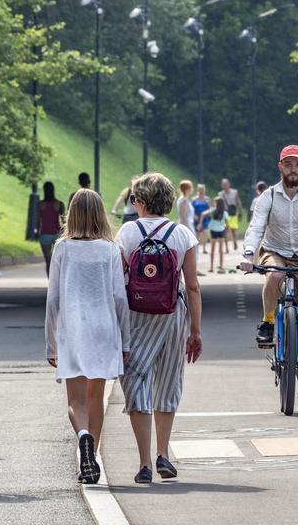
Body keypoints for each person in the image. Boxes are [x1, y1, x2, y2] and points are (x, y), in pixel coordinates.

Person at [116, 173, 202, 484]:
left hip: (136, 317)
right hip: (173, 315)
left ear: (139, 201)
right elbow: (192, 286)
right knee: (168, 382)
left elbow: (117, 282)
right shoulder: (182, 234)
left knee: (136, 381)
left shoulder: (127, 232)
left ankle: (143, 463)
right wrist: (195, 330)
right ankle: (163, 453)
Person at [45, 189, 130, 484]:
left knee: (75, 401)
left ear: (72, 214)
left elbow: (53, 300)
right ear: (100, 214)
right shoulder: (110, 249)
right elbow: (120, 299)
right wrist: (126, 341)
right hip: (104, 329)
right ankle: (90, 456)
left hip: (73, 330)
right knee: (97, 397)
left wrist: (50, 343)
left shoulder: (62, 249)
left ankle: (83, 438)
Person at [240, 145, 298, 398]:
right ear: (280, 167)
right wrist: (248, 254)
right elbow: (256, 227)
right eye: (288, 164)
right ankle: (268, 322)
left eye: (297, 164)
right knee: (274, 275)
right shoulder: (268, 196)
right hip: (275, 251)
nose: (293, 169)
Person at [37, 181, 65, 276]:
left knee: (48, 261)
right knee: (58, 260)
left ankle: (50, 281)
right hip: (56, 234)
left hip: (44, 234)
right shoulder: (59, 204)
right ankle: (59, 279)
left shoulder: (40, 204)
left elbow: (37, 221)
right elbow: (64, 221)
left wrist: (36, 233)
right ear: (53, 190)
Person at [202, 197, 229, 273]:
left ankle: (211, 267)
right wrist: (227, 231)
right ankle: (221, 266)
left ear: (216, 203)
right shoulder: (224, 213)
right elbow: (227, 223)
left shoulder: (213, 210)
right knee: (221, 250)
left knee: (212, 250)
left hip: (213, 230)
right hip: (221, 231)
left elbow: (203, 214)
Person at [218, 178, 243, 252]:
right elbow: (219, 204)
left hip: (233, 214)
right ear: (222, 185)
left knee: (233, 230)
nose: (225, 185)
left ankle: (234, 241)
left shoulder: (234, 192)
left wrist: (240, 212)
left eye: (226, 184)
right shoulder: (220, 194)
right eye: (223, 184)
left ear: (229, 184)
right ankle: (226, 247)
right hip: (225, 214)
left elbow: (238, 202)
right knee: (225, 231)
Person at [191, 185, 212, 254]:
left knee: (204, 233)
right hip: (197, 218)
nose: (201, 191)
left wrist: (207, 213)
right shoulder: (194, 199)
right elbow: (191, 209)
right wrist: (194, 215)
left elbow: (210, 209)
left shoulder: (207, 199)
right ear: (198, 190)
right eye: (200, 189)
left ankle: (204, 248)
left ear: (204, 190)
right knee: (197, 233)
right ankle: (196, 248)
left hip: (205, 219)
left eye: (202, 189)